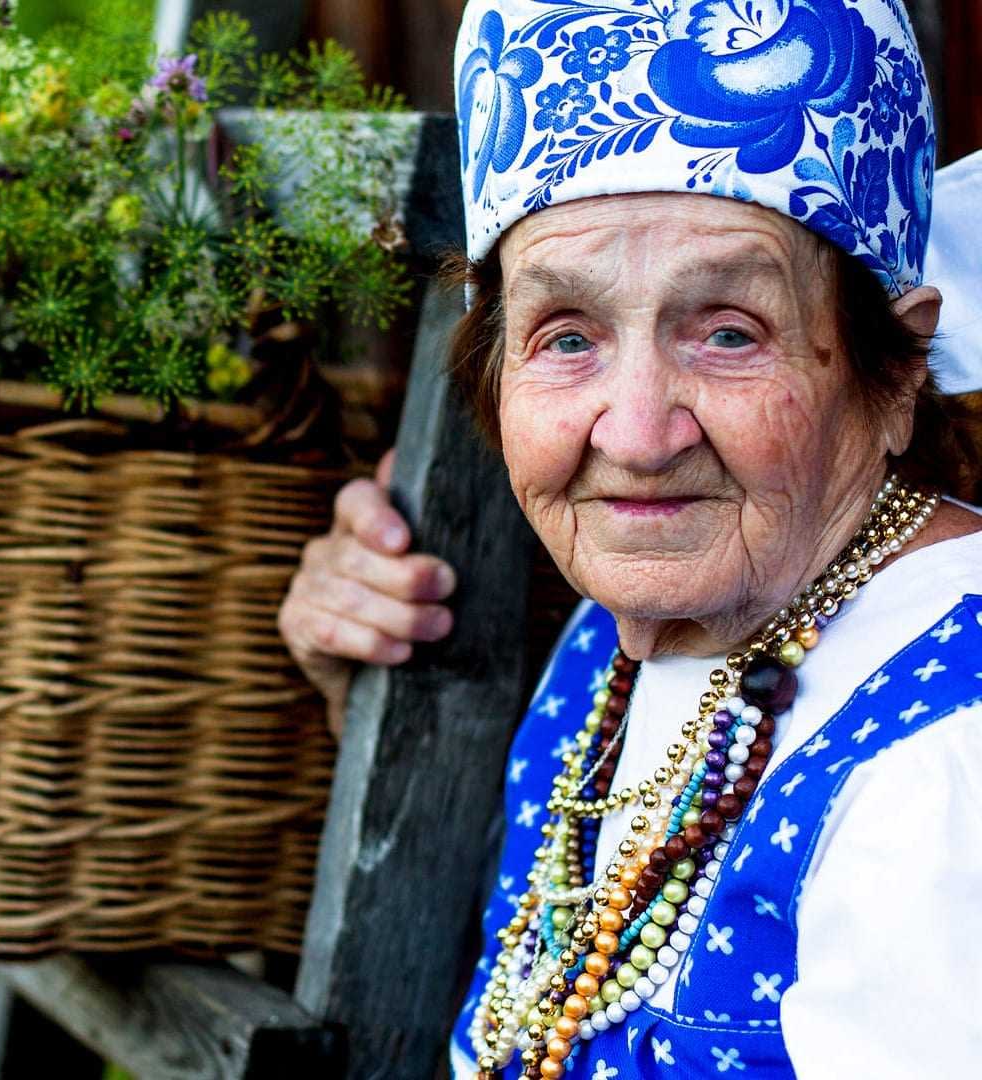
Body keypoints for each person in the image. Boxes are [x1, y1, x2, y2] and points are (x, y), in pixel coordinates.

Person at [278, 3, 982, 1077]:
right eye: (567, 337)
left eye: (728, 332)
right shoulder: (627, 641)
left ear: (895, 374)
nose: (641, 436)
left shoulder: (947, 766)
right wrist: (364, 688)